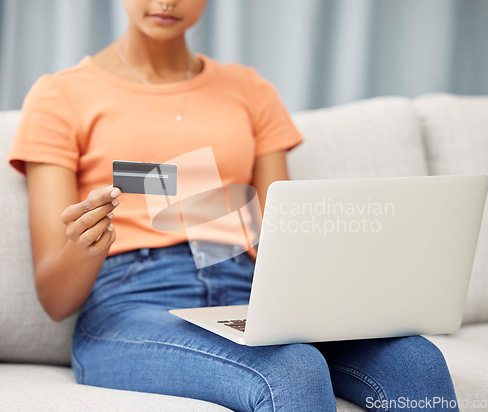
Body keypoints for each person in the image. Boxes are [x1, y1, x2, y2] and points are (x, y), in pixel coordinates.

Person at [9, 1, 459, 410]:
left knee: (417, 360)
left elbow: (286, 239)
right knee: (292, 368)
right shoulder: (58, 96)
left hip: (249, 294)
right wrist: (86, 248)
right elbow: (54, 299)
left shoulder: (250, 89)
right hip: (130, 305)